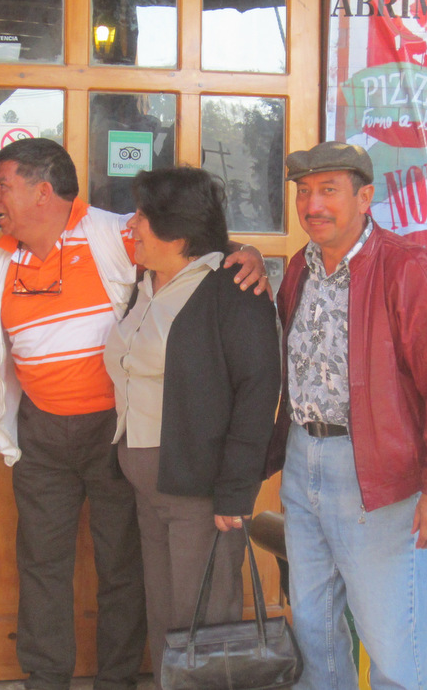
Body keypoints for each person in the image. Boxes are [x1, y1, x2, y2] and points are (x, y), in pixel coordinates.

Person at [0, 137, 269, 690]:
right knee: (41, 563)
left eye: (3, 186)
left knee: (122, 565)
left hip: (117, 432)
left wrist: (246, 252)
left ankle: (116, 680)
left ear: (43, 192)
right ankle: (45, 679)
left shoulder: (114, 234)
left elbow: (187, 241)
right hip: (41, 433)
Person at [267, 142, 427, 689]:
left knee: (392, 642)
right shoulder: (300, 267)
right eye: (304, 192)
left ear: (365, 198)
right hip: (303, 459)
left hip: (379, 474)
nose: (313, 204)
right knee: (314, 629)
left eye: (328, 190)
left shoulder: (408, 269)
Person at [103, 167, 280, 689]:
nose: (131, 225)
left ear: (177, 234)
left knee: (205, 617)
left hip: (200, 486)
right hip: (147, 481)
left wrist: (236, 490)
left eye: (143, 217)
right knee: (165, 612)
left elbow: (257, 393)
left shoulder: (233, 289)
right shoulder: (145, 284)